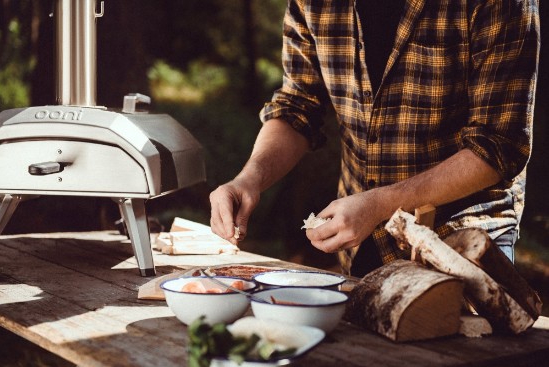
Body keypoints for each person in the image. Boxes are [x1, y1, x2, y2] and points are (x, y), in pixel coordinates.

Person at [209, 0, 540, 277]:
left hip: (463, 243)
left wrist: (381, 204)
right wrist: (248, 180)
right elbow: (297, 107)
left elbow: (499, 146)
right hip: (363, 240)